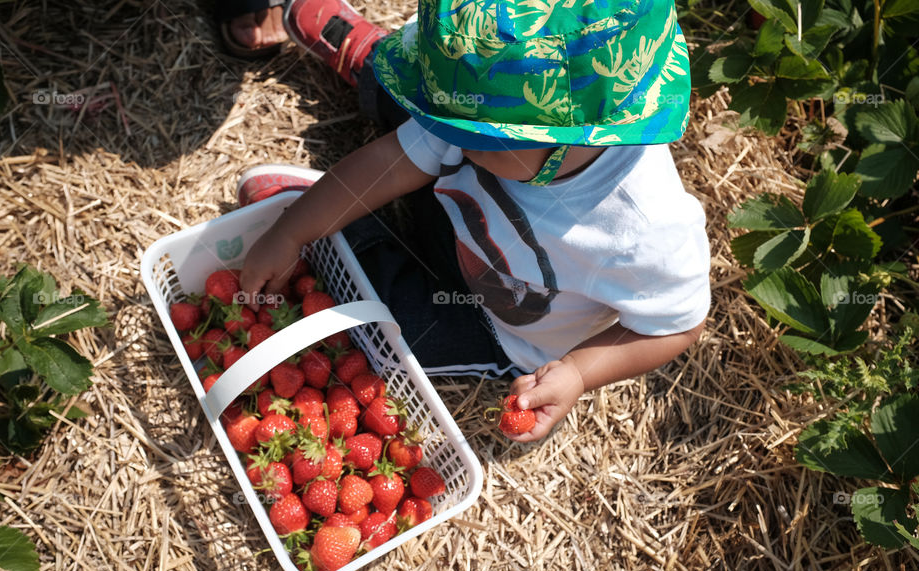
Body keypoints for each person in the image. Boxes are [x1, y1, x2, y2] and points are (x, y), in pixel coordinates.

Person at [238, 0, 711, 442]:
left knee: (387, 340)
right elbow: (391, 160)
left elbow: (675, 325)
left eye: (476, 139)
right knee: (417, 94)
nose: (456, 142)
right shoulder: (475, 115)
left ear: (570, 139)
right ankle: (368, 59)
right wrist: (293, 229)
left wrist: (579, 371)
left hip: (493, 321)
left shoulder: (646, 231)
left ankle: (355, 239)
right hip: (453, 206)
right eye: (453, 129)